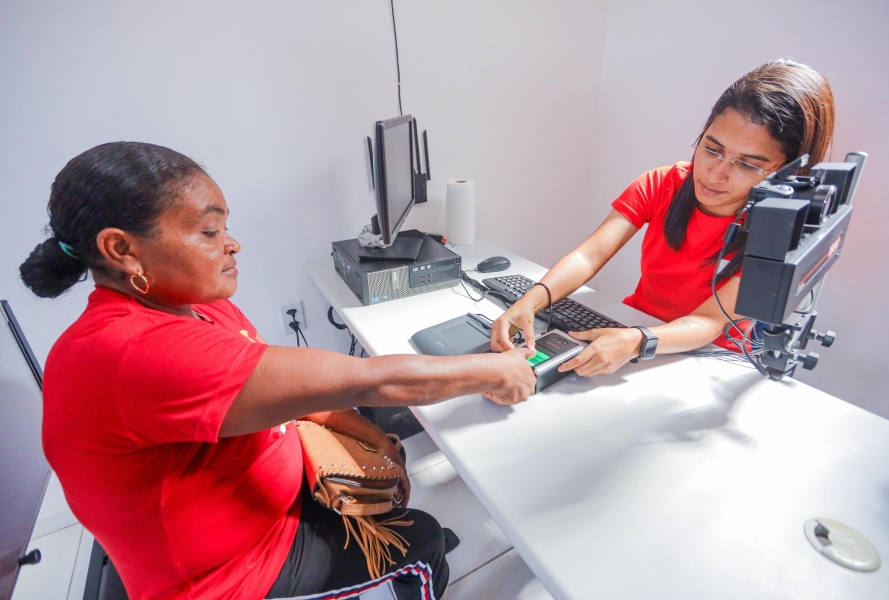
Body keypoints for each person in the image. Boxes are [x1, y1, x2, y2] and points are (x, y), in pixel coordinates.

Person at [20, 141, 536, 600]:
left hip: (266, 503)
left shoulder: (192, 305)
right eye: (209, 231)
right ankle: (418, 568)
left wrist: (367, 432)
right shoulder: (133, 353)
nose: (232, 244)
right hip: (233, 573)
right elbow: (375, 380)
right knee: (422, 541)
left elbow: (290, 388)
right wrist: (501, 370)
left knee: (393, 480)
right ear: (122, 250)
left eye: (225, 227)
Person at [491, 59, 836, 375]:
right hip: (632, 330)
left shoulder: (778, 233)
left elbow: (709, 321)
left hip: (708, 359)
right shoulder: (662, 183)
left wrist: (638, 341)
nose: (715, 174)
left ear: (789, 172)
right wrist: (531, 301)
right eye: (711, 149)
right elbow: (589, 255)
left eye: (747, 165)